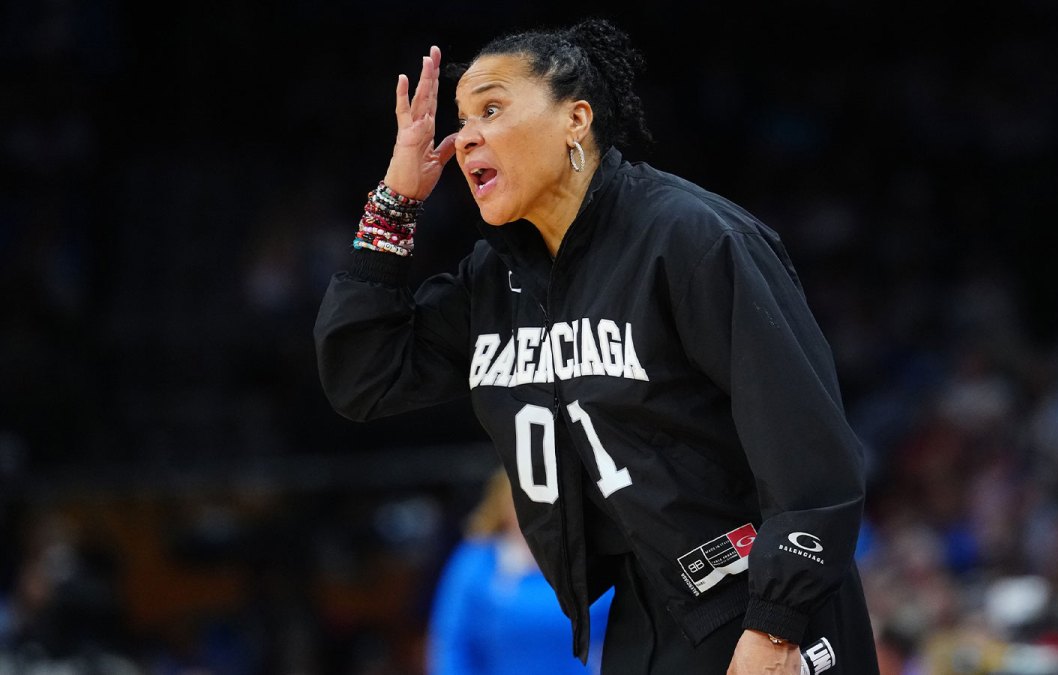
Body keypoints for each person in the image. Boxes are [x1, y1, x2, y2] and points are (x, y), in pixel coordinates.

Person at [315, 18, 879, 675]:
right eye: (461, 120)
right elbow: (362, 376)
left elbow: (813, 458)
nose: (465, 136)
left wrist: (776, 626)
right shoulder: (494, 280)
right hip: (644, 616)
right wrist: (394, 203)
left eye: (491, 108)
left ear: (575, 119)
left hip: (762, 602)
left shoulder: (691, 238)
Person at [428, 469, 612, 675]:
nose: (539, 512)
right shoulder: (477, 561)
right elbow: (452, 644)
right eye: (527, 500)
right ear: (504, 504)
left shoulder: (592, 558)